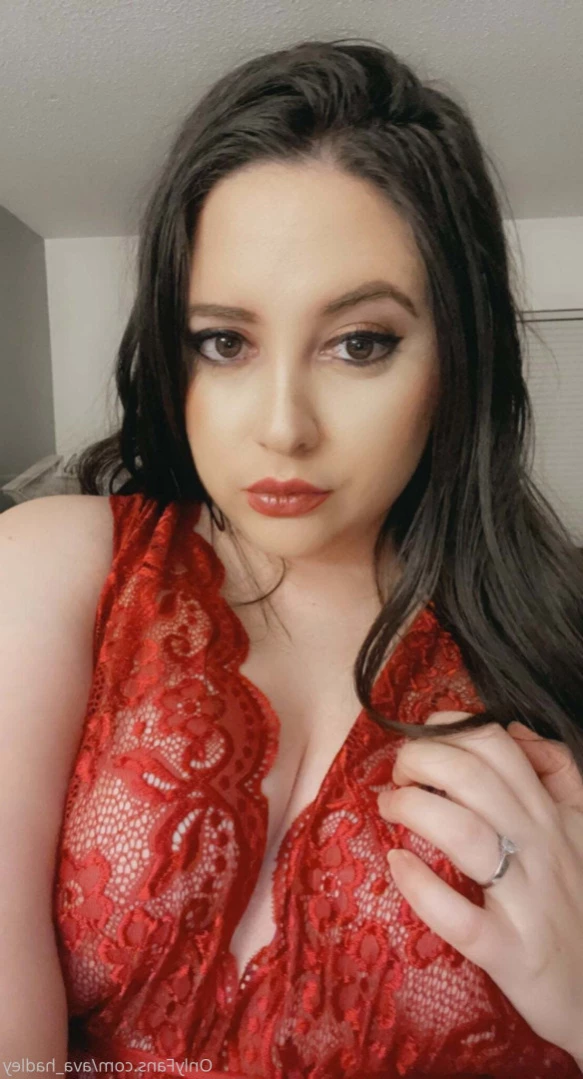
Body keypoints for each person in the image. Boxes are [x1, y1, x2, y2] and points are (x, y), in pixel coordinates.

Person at [1, 36, 582, 1079]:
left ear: (457, 355)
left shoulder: (561, 648)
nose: (282, 426)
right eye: (224, 341)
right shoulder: (55, 571)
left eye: (359, 342)